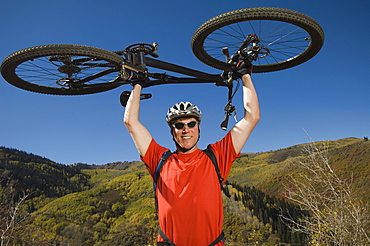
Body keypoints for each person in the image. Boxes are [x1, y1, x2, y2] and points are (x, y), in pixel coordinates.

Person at [123, 60, 260, 246]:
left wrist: (245, 75)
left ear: (198, 128)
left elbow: (252, 118)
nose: (185, 129)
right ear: (172, 131)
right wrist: (137, 84)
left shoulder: (216, 156)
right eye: (179, 126)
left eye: (191, 124)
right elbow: (131, 122)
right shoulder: (159, 159)